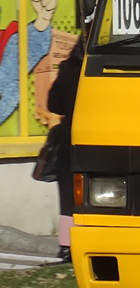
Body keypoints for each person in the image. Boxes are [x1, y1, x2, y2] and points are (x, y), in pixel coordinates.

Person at [47, 34, 84, 263]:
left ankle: (66, 247)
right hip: (103, 140)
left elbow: (53, 103)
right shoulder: (109, 67)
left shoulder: (69, 69)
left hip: (70, 137)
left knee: (68, 195)